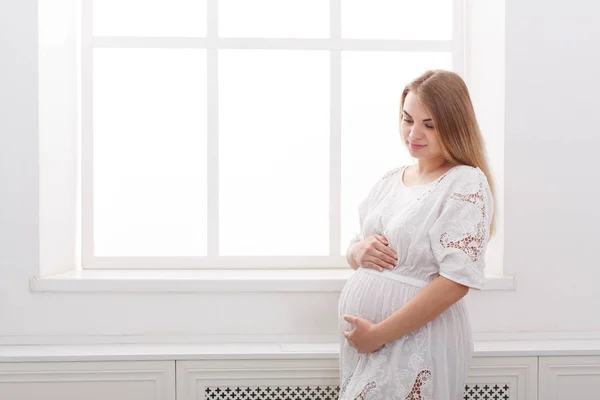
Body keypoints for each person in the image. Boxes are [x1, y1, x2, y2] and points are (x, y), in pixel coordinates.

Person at [338, 69, 496, 400]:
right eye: (408, 119)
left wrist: (379, 334)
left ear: (454, 126)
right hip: (370, 343)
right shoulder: (391, 180)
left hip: (416, 340)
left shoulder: (464, 183)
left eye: (430, 124)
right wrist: (357, 252)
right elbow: (357, 248)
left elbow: (455, 282)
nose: (414, 133)